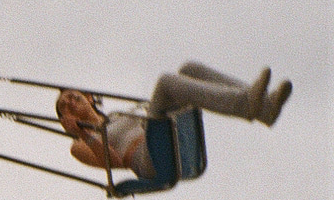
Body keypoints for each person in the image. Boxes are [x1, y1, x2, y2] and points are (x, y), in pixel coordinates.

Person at [55, 62, 292, 180]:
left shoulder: (117, 115)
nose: (70, 102)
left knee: (189, 69)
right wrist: (84, 133)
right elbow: (115, 164)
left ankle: (265, 108)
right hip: (147, 158)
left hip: (164, 132)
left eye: (73, 97)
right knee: (166, 83)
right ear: (67, 119)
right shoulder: (79, 145)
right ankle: (246, 104)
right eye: (64, 107)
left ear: (88, 97)